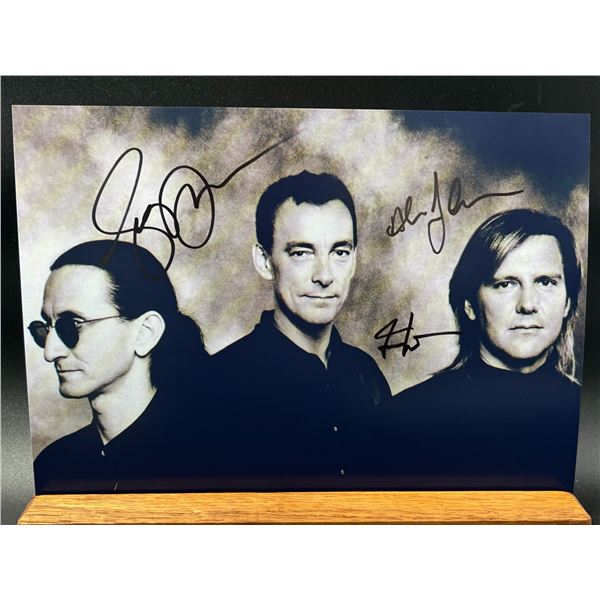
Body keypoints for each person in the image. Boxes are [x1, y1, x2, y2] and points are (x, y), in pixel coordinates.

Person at [213, 171, 391, 488]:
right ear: (264, 261)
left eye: (339, 252)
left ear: (353, 260)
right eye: (301, 253)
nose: (324, 276)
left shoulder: (367, 375)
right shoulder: (217, 384)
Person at [387, 209, 583, 490]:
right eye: (505, 284)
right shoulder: (405, 421)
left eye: (545, 282)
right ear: (469, 305)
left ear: (567, 303)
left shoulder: (587, 417)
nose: (528, 304)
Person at [30, 239, 213, 493]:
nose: (50, 352)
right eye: (45, 329)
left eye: (72, 325)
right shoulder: (53, 467)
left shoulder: (209, 457)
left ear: (145, 333)